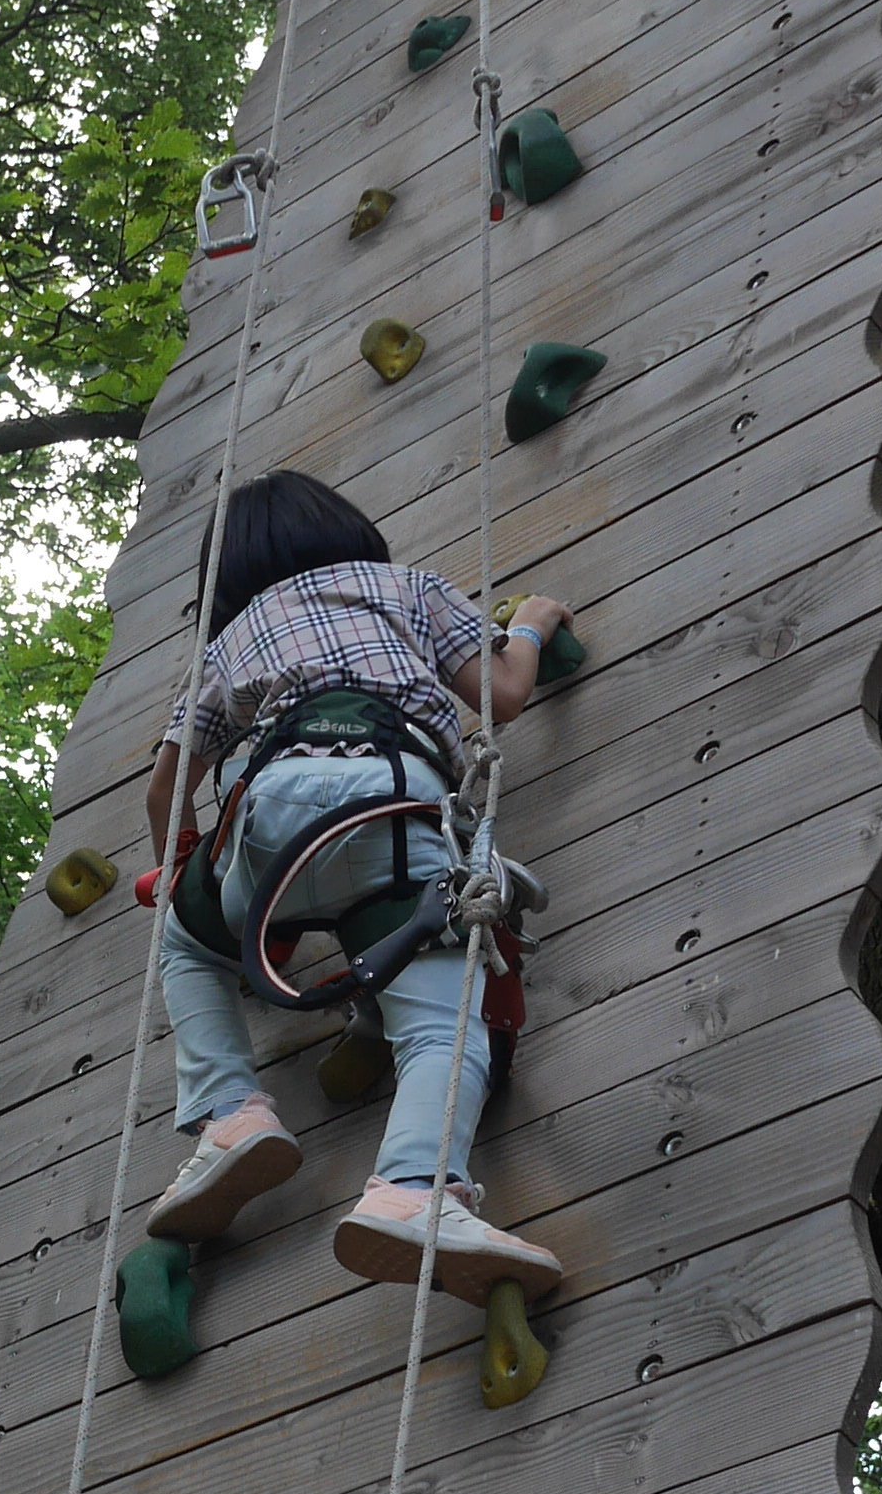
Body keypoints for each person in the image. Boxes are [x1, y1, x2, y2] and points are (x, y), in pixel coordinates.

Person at [129, 467, 576, 1299]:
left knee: (187, 942)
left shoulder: (229, 642)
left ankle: (230, 1114)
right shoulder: (403, 587)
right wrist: (537, 623)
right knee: (443, 1028)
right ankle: (414, 1193)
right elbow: (505, 695)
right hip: (396, 813)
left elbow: (168, 786)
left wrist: (185, 864)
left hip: (271, 818)